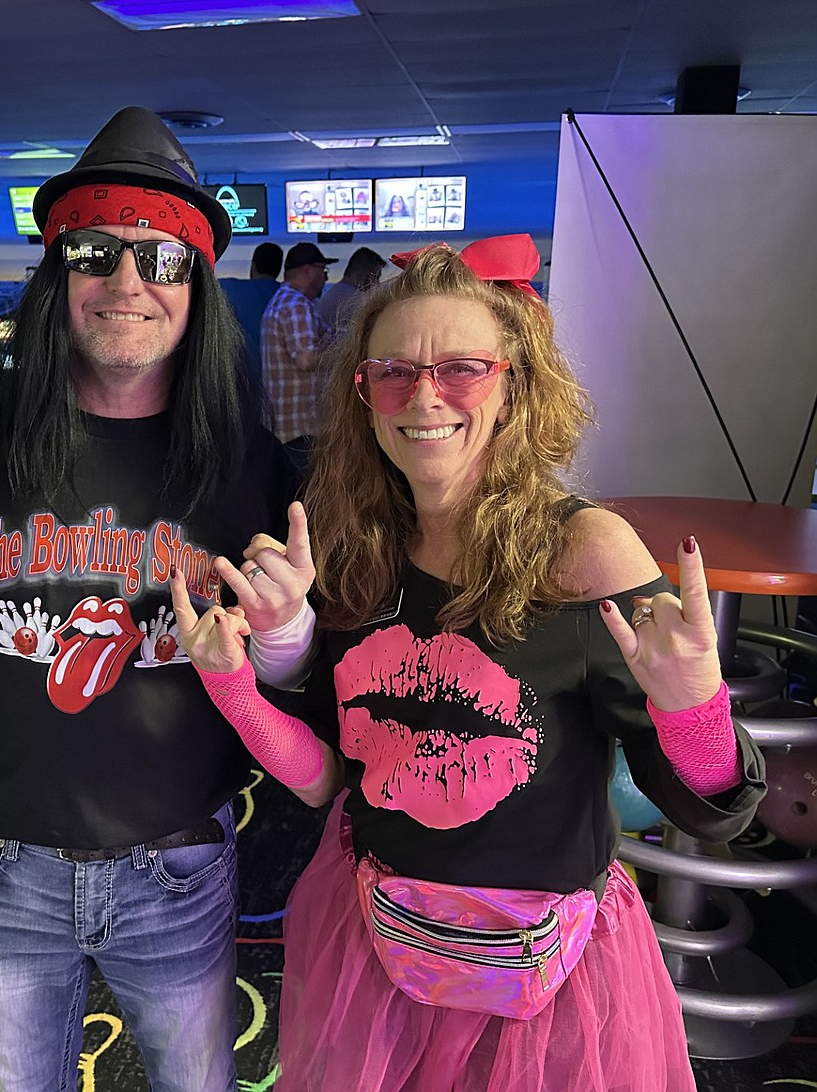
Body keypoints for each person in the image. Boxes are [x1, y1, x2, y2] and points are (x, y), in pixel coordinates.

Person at [171, 236, 766, 1091]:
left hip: (545, 983)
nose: (424, 397)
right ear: (364, 396)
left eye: (461, 369)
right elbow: (326, 779)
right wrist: (235, 686)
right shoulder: (349, 553)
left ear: (513, 384)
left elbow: (711, 814)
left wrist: (696, 708)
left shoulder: (585, 553)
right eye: (393, 373)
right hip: (377, 948)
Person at [0, 105, 316, 1092]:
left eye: (162, 258)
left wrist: (286, 628)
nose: (127, 283)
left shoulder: (243, 462)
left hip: (175, 867)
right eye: (95, 251)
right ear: (57, 276)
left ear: (198, 285)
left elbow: (286, 674)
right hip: (2, 868)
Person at [260, 241, 338, 471]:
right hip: (302, 430)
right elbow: (305, 359)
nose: (325, 278)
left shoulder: (283, 301)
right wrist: (346, 356)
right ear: (308, 270)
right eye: (323, 271)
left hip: (286, 428)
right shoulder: (296, 305)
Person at [218, 241, 283, 383]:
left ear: (253, 266)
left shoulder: (232, 289)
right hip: (276, 382)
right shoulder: (287, 295)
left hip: (244, 379)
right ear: (279, 268)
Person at [316, 246, 386, 335]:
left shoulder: (333, 293)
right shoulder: (358, 300)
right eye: (375, 277)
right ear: (360, 275)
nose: (376, 284)